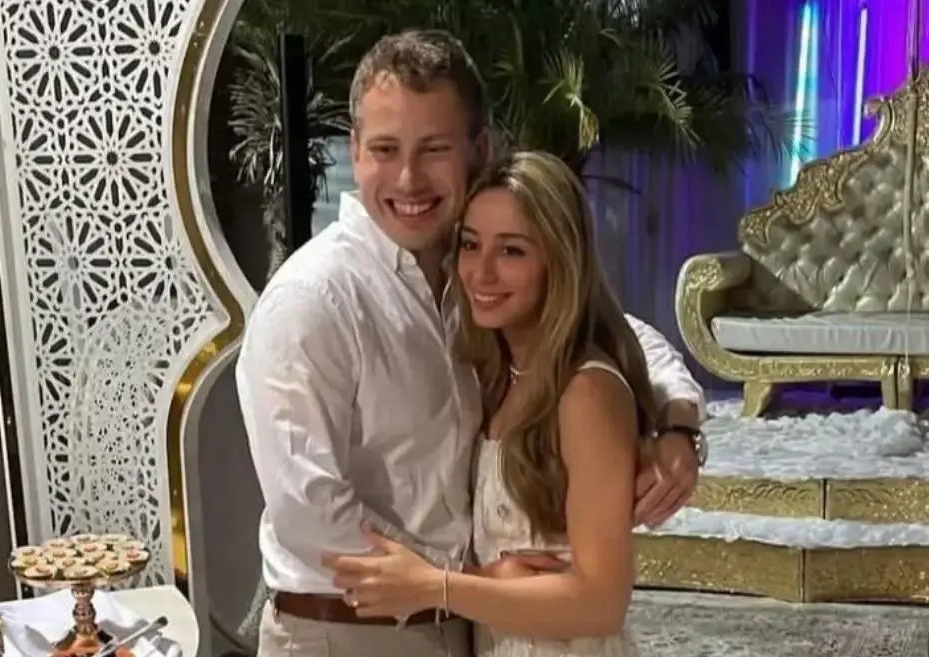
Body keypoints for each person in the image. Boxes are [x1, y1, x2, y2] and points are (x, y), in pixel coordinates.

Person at [235, 29, 705, 657]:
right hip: (346, 635)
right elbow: (311, 512)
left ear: (479, 151)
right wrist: (459, 583)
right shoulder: (312, 298)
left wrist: (678, 426)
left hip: (469, 623)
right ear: (355, 150)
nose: (408, 178)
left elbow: (616, 334)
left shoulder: (471, 274)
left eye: (434, 149)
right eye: (385, 149)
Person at [325, 150, 660, 657]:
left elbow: (601, 602)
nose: (481, 273)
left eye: (511, 251)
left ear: (559, 261)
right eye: (470, 245)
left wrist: (436, 587)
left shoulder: (586, 393)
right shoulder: (491, 371)